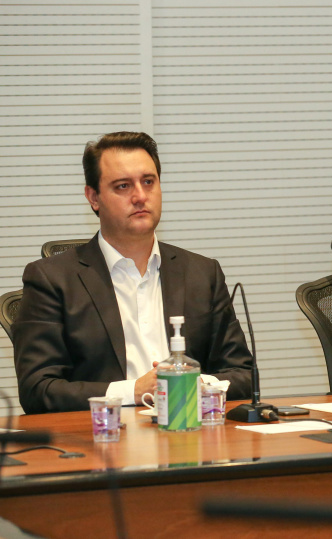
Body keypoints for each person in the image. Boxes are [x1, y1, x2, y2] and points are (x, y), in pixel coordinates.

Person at [13, 132, 253, 414]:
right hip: (103, 442)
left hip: (188, 435)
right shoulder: (51, 280)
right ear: (93, 197)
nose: (140, 196)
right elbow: (38, 390)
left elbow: (244, 376)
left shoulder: (203, 273)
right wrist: (133, 391)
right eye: (123, 186)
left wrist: (192, 384)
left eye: (148, 182)